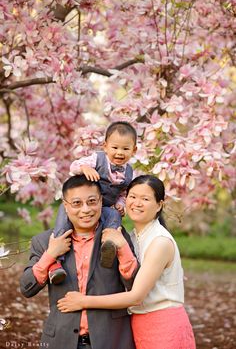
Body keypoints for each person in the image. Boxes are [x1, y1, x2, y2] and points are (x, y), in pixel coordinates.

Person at [57, 175, 196, 349]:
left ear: (159, 205)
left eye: (145, 199)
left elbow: (136, 297)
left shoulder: (160, 242)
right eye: (133, 196)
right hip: (138, 325)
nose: (137, 203)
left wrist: (83, 301)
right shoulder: (132, 236)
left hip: (164, 324)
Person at [20, 175, 138, 349]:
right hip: (61, 340)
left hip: (112, 339)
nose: (85, 210)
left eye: (92, 201)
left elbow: (135, 285)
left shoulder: (114, 236)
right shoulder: (45, 241)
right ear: (65, 206)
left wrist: (122, 246)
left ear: (101, 202)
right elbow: (27, 288)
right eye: (76, 203)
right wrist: (51, 254)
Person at [49, 121, 137, 284]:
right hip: (84, 202)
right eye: (115, 147)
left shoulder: (130, 172)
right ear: (105, 146)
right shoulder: (97, 158)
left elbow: (124, 192)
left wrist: (121, 203)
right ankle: (56, 262)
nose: (119, 152)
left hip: (104, 207)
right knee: (63, 224)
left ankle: (108, 246)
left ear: (134, 150)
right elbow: (74, 166)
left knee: (114, 215)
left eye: (125, 149)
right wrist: (85, 169)